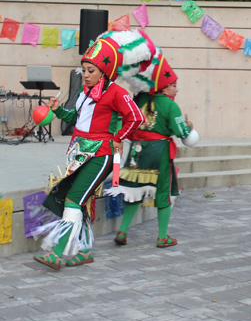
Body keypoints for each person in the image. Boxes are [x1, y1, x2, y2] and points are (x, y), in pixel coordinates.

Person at [32, 30, 152, 270]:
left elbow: (136, 118)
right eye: (83, 70)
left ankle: (56, 253)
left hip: (101, 154)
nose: (85, 75)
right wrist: (57, 111)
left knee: (73, 199)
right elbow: (76, 119)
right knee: (81, 201)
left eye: (91, 71)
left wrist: (119, 137)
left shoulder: (117, 92)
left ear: (104, 72)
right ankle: (84, 251)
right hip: (79, 153)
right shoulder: (84, 92)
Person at [105, 49, 199, 247]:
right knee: (163, 193)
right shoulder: (170, 106)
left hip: (137, 151)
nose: (176, 89)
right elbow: (182, 133)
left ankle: (123, 231)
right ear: (163, 87)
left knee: (134, 190)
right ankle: (162, 236)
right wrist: (189, 127)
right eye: (174, 85)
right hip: (159, 153)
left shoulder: (139, 99)